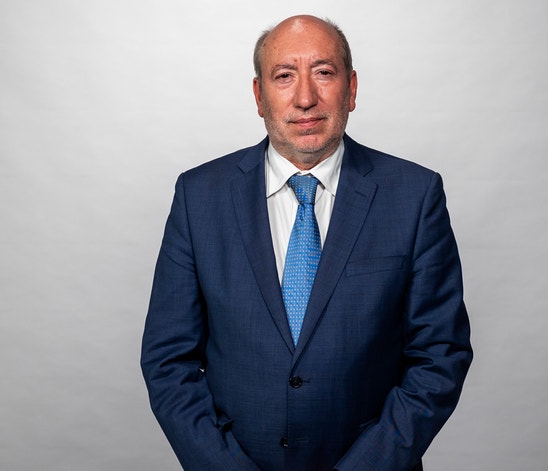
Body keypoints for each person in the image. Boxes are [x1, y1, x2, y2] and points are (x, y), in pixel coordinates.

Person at [141, 14, 472, 471]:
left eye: (323, 72)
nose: (305, 98)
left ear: (351, 89)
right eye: (284, 76)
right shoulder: (198, 196)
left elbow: (439, 357)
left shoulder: (414, 195)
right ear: (259, 96)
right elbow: (168, 362)